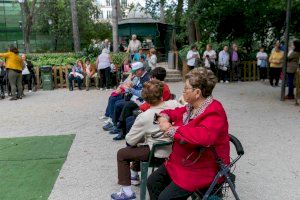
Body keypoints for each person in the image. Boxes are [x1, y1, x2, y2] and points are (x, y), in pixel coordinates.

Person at [147, 67, 230, 200]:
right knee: (152, 182)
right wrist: (163, 118)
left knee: (165, 198)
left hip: (201, 169)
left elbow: (203, 137)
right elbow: (171, 113)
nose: (183, 91)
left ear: (197, 92)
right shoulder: (191, 107)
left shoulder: (215, 111)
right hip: (182, 162)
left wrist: (172, 129)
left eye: (186, 88)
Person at [110, 80, 181, 200]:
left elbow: (130, 140)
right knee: (141, 145)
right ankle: (133, 173)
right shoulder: (175, 104)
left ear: (146, 99)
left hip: (157, 154)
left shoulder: (145, 116)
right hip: (176, 148)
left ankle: (127, 191)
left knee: (123, 153)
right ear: (162, 94)